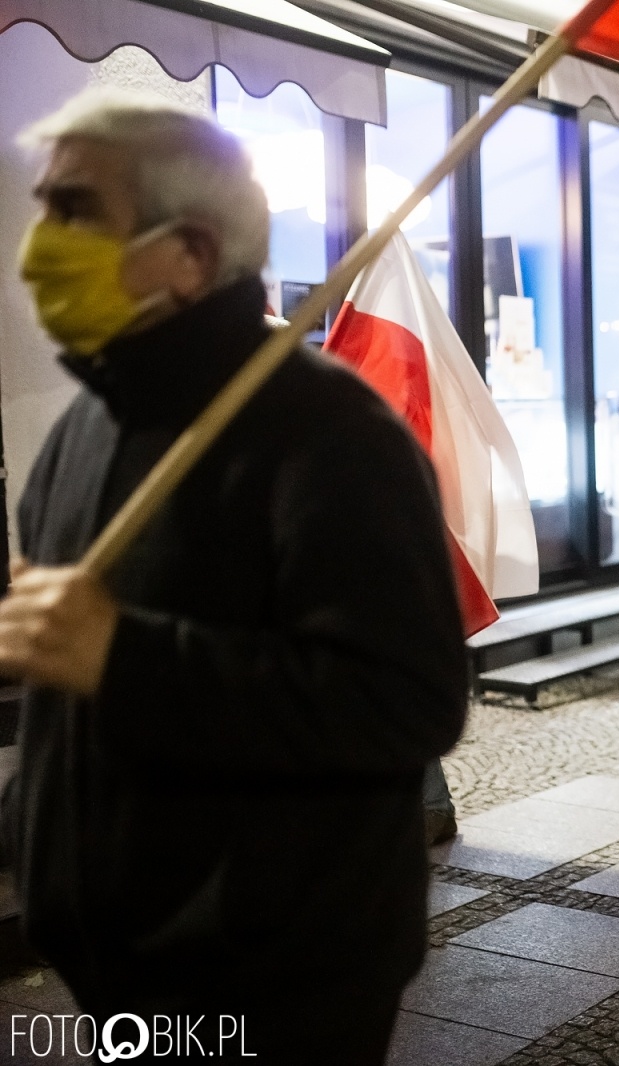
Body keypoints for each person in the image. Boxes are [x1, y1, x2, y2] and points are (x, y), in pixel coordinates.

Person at [0, 89, 467, 1061]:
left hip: (272, 979)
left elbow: (406, 701)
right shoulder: (88, 430)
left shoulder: (335, 436)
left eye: (77, 209)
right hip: (115, 962)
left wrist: (125, 656)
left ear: (193, 252)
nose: (39, 241)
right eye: (45, 205)